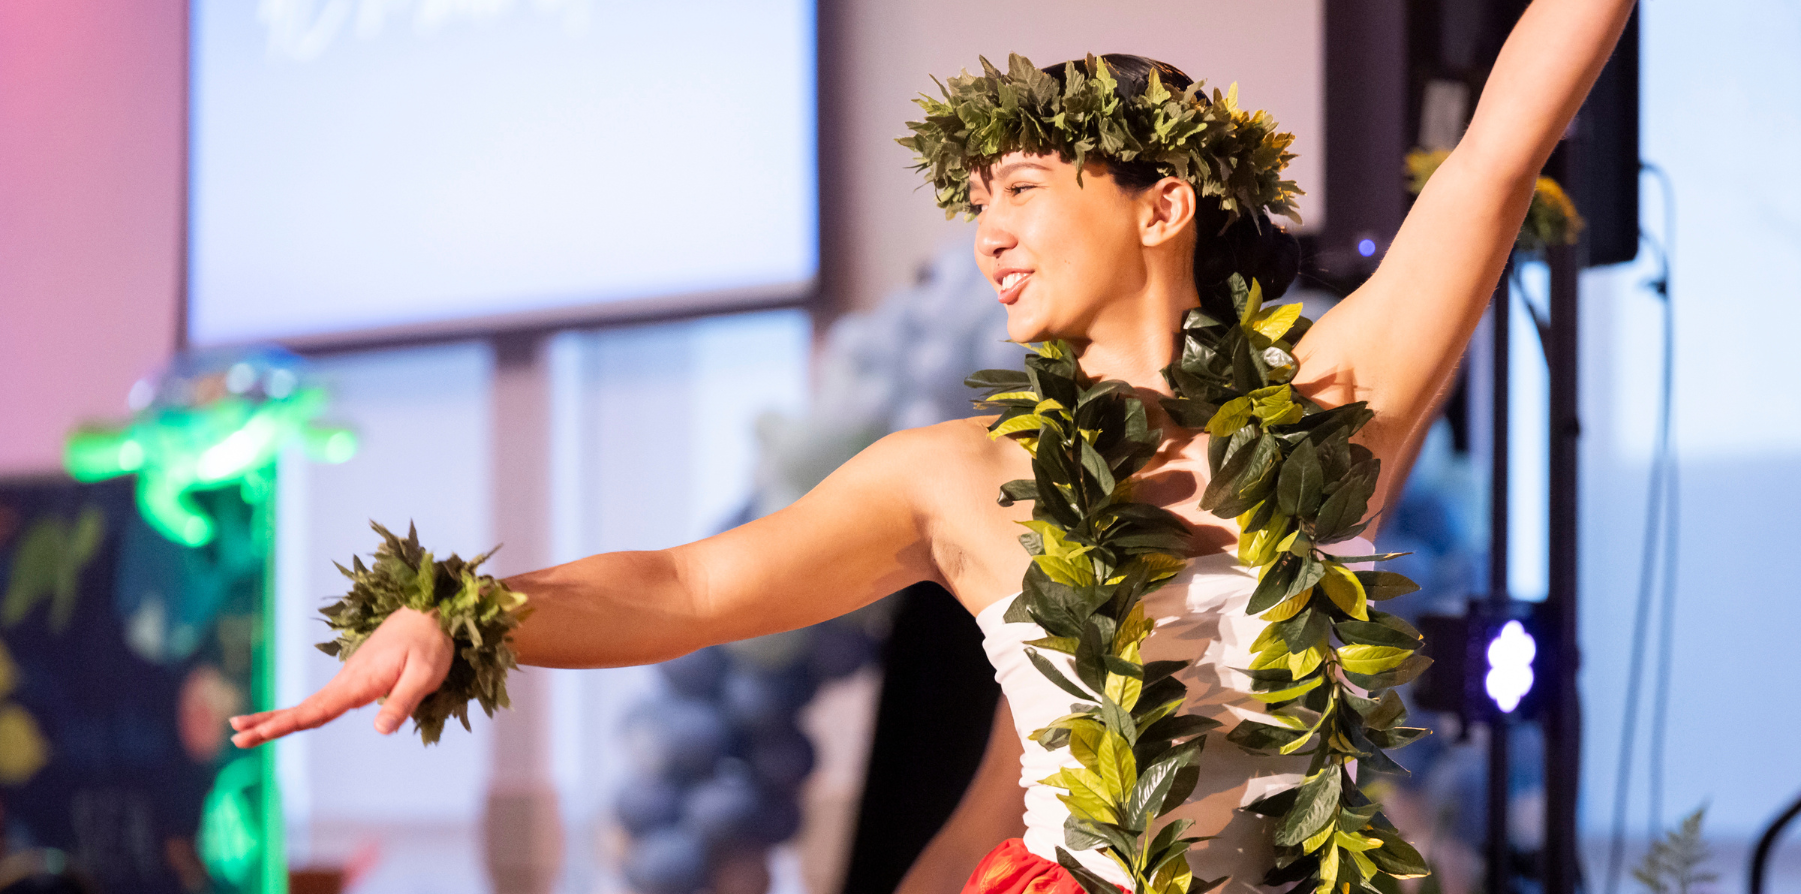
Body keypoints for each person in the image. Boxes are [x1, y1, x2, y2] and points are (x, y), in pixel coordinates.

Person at [230, 1, 1637, 890]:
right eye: (978, 199)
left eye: (1023, 185)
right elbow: (684, 584)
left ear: (1162, 208)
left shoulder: (1338, 397)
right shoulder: (958, 476)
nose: (989, 229)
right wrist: (463, 614)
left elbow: (1505, 140)